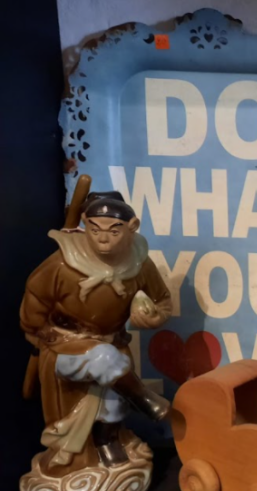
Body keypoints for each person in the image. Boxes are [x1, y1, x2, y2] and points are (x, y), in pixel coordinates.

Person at [20, 191, 172, 473]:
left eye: (114, 231)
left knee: (114, 388)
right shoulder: (62, 263)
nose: (103, 239)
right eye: (95, 229)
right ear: (84, 223)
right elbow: (35, 300)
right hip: (65, 345)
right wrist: (44, 333)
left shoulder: (139, 263)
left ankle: (106, 442)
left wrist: (152, 316)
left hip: (113, 344)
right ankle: (143, 398)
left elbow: (162, 301)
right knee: (104, 359)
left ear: (132, 227)